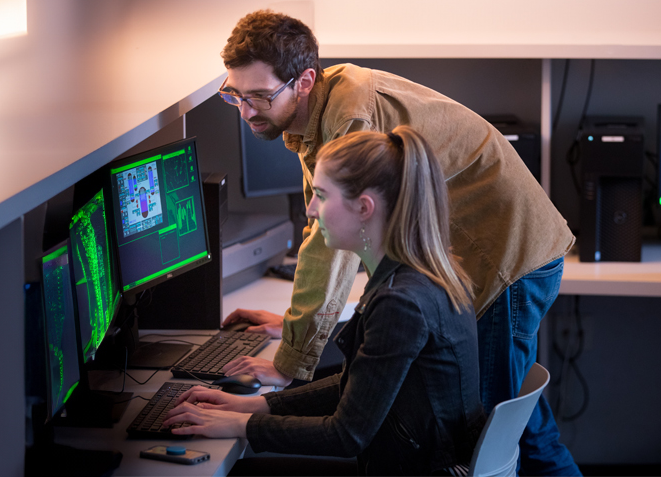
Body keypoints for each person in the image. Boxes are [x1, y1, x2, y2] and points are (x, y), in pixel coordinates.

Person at [214, 10, 580, 475]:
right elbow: (320, 225)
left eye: (259, 96)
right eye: (235, 96)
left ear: (303, 81)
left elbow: (330, 246)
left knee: (497, 438)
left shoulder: (350, 116)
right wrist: (294, 328)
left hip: (504, 255)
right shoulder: (325, 99)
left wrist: (289, 361)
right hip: (490, 254)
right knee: (516, 424)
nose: (245, 111)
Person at [164, 127, 486, 475]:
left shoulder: (401, 302)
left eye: (321, 194)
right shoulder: (421, 273)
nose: (311, 209)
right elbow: (359, 390)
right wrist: (255, 407)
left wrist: (238, 426)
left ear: (364, 207)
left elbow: (346, 434)